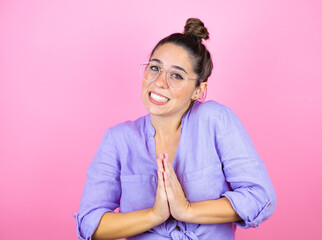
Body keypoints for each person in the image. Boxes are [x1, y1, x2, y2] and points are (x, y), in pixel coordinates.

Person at [73, 18, 276, 240]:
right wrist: (155, 214)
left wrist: (186, 210)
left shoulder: (216, 120)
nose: (160, 82)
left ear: (198, 90)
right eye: (155, 68)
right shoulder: (118, 139)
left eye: (176, 75)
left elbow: (260, 197)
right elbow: (90, 223)